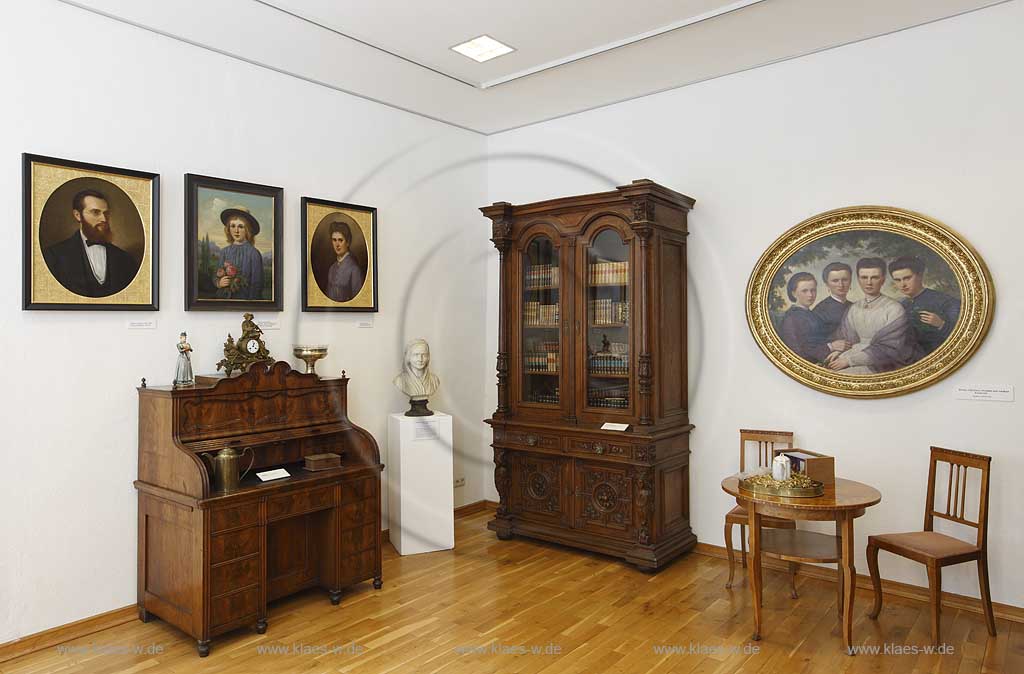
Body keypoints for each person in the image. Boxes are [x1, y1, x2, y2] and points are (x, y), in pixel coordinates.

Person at [827, 257, 922, 374]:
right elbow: (848, 339)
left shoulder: (894, 308)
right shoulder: (853, 308)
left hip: (881, 363)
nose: (869, 282)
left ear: (882, 280)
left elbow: (888, 348)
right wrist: (838, 352)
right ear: (858, 279)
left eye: (875, 277)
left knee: (841, 376)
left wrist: (849, 360)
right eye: (864, 277)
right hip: (853, 355)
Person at [42, 188, 140, 297]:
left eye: (106, 213)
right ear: (77, 215)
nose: (104, 219)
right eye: (95, 212)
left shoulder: (125, 259)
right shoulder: (54, 256)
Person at [889, 256, 961, 355]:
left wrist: (941, 324)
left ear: (920, 276)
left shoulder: (945, 301)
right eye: (897, 280)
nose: (902, 284)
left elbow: (962, 337)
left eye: (907, 278)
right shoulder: (901, 305)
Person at [779, 272, 832, 364]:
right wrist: (830, 347)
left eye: (813, 290)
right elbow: (797, 353)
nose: (810, 295)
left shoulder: (814, 315)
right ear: (794, 293)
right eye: (804, 291)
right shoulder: (791, 319)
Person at [213, 206, 264, 300]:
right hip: (223, 301)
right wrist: (219, 283)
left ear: (248, 230)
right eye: (233, 226)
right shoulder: (224, 252)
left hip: (244, 301)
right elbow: (216, 275)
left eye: (240, 226)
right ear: (228, 229)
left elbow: (256, 285)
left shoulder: (254, 253)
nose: (236, 231)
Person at [813, 262, 853, 340]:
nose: (841, 285)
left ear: (850, 281)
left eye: (845, 280)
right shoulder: (820, 311)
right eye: (835, 281)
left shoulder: (854, 306)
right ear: (827, 284)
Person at [326, 220, 364, 302]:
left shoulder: (354, 269)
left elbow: (358, 302)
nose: (337, 245)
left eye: (340, 240)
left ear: (348, 242)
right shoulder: (332, 268)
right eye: (334, 240)